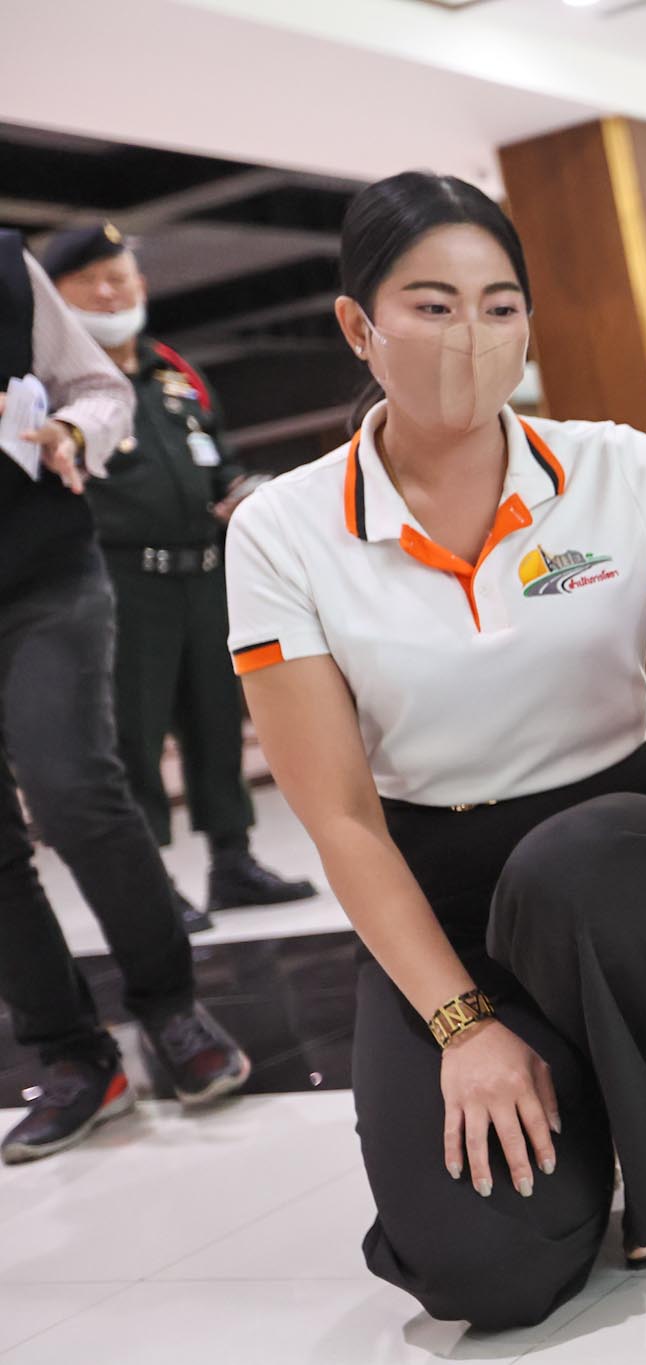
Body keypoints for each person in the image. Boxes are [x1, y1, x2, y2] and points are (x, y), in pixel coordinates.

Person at [226, 172, 646, 1330]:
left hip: (632, 848)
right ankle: (574, 1093)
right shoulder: (282, 531)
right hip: (438, 890)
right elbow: (339, 817)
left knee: (580, 868)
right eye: (431, 305)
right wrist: (461, 1027)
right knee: (487, 1275)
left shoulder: (618, 470)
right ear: (358, 326)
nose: (471, 337)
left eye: (499, 306)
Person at [0, 232, 251, 1166]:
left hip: (42, 575)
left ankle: (172, 1009)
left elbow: (97, 387)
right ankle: (74, 1057)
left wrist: (71, 433)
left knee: (74, 789)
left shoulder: (7, 268)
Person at [41, 224, 317, 922]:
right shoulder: (54, 386)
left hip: (205, 571)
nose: (109, 292)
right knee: (132, 735)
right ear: (55, 297)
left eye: (119, 277)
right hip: (119, 579)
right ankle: (151, 882)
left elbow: (217, 457)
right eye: (89, 282)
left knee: (217, 718)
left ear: (141, 285)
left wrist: (243, 492)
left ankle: (233, 861)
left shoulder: (175, 371)